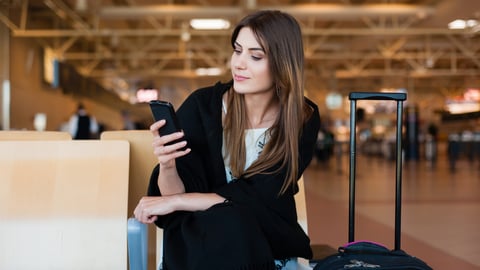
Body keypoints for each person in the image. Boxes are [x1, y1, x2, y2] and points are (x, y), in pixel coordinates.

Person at [134, 10, 320, 270]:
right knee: (223, 222)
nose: (239, 64)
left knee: (232, 218)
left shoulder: (301, 117)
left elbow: (258, 195)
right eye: (237, 50)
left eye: (255, 56)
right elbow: (174, 199)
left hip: (267, 238)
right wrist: (167, 166)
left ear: (283, 64)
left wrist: (178, 201)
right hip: (205, 239)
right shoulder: (202, 106)